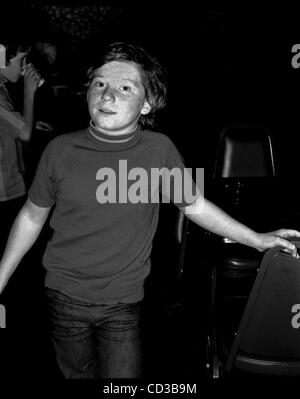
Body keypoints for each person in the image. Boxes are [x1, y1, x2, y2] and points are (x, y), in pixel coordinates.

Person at [0, 41, 299, 379]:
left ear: (147, 104)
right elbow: (30, 216)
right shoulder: (59, 151)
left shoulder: (158, 152)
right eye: (100, 83)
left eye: (125, 87)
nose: (107, 95)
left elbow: (195, 206)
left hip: (123, 305)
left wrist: (257, 239)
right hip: (63, 299)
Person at [0, 38, 44, 255]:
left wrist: (31, 122)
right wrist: (29, 91)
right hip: (4, 190)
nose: (25, 65)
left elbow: (10, 124)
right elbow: (24, 134)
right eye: (21, 59)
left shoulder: (2, 87)